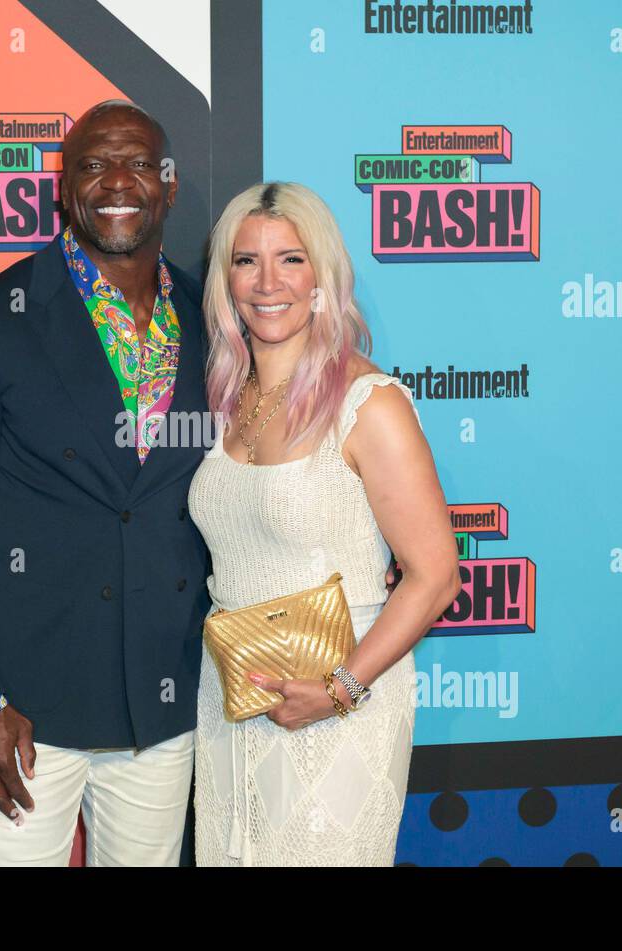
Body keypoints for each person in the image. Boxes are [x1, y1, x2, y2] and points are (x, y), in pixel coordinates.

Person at [0, 99, 213, 866]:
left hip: (165, 712)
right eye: (94, 163)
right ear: (62, 188)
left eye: (139, 162)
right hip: (20, 720)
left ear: (168, 187)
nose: (118, 180)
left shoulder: (214, 320)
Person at [188, 181, 462, 865]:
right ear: (226, 280)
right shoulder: (229, 397)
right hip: (232, 702)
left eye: (291, 259)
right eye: (246, 261)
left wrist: (341, 691)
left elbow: (434, 578)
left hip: (341, 705)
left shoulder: (370, 405)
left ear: (322, 276)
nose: (267, 281)